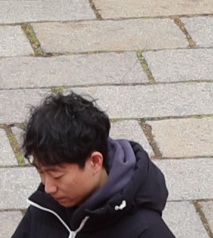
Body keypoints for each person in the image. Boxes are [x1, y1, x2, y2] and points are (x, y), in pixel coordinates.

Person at [13, 94, 175, 238]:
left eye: (57, 176)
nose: (48, 188)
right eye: (41, 173)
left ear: (95, 162)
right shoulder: (45, 208)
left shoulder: (146, 231)